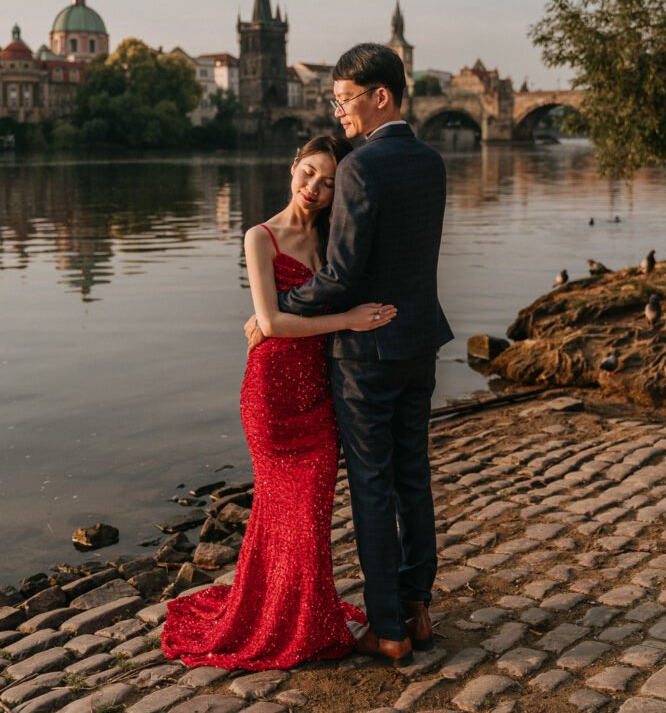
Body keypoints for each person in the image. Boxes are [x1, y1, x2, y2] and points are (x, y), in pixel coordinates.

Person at [161, 135, 396, 671]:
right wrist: (347, 320)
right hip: (271, 396)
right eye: (309, 173)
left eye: (329, 181)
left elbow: (301, 304)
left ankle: (299, 617)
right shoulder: (259, 236)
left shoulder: (335, 239)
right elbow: (271, 324)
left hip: (319, 392)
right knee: (280, 507)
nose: (315, 187)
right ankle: (280, 620)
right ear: (293, 167)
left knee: (308, 516)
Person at [273, 43, 453, 666]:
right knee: (413, 477)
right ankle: (417, 609)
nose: (340, 112)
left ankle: (387, 629)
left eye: (346, 100)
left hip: (365, 355)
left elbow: (345, 275)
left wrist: (283, 303)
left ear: (381, 96)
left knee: (373, 486)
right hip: (420, 344)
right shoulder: (431, 161)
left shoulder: (360, 167)